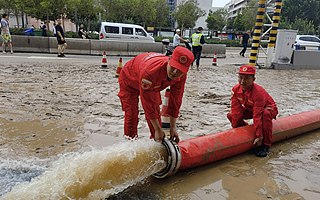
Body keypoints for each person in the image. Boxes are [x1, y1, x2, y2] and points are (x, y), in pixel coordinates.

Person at [118, 46, 194, 143]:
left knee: (156, 112)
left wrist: (173, 127)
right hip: (129, 79)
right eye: (173, 67)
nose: (175, 73)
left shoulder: (181, 76)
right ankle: (130, 143)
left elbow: (176, 100)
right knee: (131, 114)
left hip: (152, 83)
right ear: (169, 60)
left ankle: (156, 142)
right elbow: (147, 104)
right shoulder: (150, 73)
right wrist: (158, 129)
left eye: (180, 70)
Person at [227, 65, 278, 157]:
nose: (242, 81)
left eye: (246, 78)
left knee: (265, 114)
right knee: (231, 115)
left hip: (267, 108)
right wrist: (235, 127)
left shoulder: (258, 93)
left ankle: (266, 145)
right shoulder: (235, 89)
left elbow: (257, 115)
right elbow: (236, 110)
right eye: (240, 78)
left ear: (253, 79)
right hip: (250, 108)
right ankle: (246, 128)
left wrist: (259, 136)